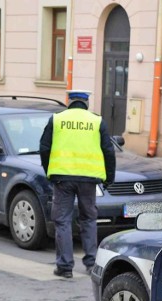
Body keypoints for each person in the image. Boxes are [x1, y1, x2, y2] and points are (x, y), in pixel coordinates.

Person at [39, 90, 116, 279]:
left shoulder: (56, 119)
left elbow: (44, 148)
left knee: (62, 220)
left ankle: (65, 266)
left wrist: (49, 171)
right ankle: (91, 263)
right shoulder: (96, 121)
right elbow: (108, 151)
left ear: (69, 101)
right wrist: (109, 177)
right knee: (88, 219)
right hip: (88, 180)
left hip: (62, 178)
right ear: (86, 102)